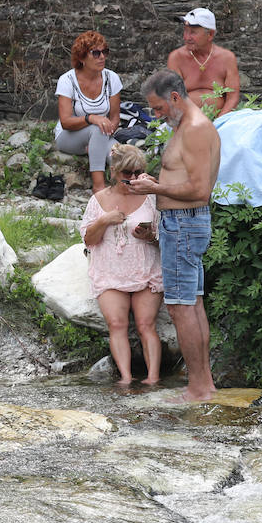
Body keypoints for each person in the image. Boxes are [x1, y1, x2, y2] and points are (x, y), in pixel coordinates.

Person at [126, 69, 220, 402]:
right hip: (183, 223)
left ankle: (197, 388)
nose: (155, 115)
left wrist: (156, 187)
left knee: (181, 307)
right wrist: (156, 185)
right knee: (192, 303)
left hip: (183, 223)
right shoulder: (186, 125)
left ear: (175, 98)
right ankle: (205, 385)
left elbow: (200, 190)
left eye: (158, 108)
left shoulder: (194, 129)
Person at [80, 143, 164, 385]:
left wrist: (150, 236)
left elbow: (165, 239)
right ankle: (126, 379)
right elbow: (89, 240)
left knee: (146, 324)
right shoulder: (98, 200)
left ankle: (153, 379)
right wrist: (104, 220)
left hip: (145, 268)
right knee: (117, 324)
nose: (134, 178)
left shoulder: (151, 197)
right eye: (128, 173)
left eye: (138, 172)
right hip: (110, 270)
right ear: (115, 171)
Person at [53, 30, 122, 193]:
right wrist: (91, 118)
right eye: (96, 53)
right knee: (97, 128)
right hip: (68, 136)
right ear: (82, 58)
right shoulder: (67, 80)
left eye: (105, 51)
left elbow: (115, 118)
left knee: (120, 155)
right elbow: (66, 122)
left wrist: (104, 133)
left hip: (102, 134)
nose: (102, 57)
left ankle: (122, 192)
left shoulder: (112, 78)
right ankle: (98, 188)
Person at [165, 7, 240, 117]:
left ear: (210, 34)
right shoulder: (176, 58)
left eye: (193, 32)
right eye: (185, 31)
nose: (186, 37)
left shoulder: (227, 58)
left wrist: (219, 122)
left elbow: (233, 97)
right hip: (185, 120)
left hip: (221, 121)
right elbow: (173, 98)